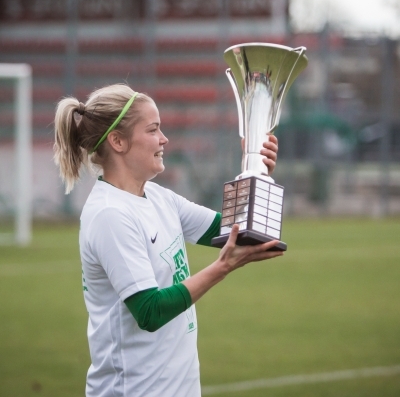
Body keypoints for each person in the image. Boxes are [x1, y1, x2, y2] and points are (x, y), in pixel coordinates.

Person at [53, 84, 283, 397]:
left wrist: (255, 169)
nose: (164, 139)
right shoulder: (110, 214)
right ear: (118, 141)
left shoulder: (158, 197)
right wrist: (222, 268)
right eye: (153, 129)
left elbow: (236, 232)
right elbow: (150, 311)